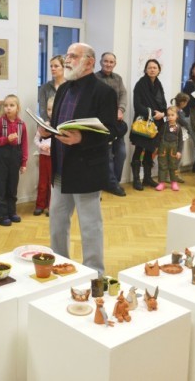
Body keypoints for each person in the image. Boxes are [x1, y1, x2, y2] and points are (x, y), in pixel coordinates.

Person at [45, 42, 117, 276]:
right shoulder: (63, 89)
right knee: (57, 223)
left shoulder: (104, 92)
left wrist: (81, 138)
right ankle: (60, 265)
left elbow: (111, 130)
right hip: (61, 168)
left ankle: (95, 273)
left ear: (89, 62)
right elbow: (59, 123)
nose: (67, 60)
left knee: (90, 226)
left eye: (73, 56)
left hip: (86, 170)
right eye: (67, 55)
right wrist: (48, 130)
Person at [0, 94, 28, 226]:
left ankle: (11, 212)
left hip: (15, 157)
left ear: (18, 108)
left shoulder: (22, 125)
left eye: (12, 105)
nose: (8, 108)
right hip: (0, 157)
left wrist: (24, 162)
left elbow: (24, 145)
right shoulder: (0, 122)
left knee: (12, 186)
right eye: (6, 105)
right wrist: (6, 139)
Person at [130, 59, 167, 190]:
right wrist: (151, 113)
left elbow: (163, 104)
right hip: (143, 123)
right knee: (139, 149)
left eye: (155, 68)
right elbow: (137, 105)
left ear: (159, 70)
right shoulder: (140, 84)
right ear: (145, 70)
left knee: (150, 150)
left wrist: (162, 114)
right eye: (150, 67)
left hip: (156, 124)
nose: (152, 70)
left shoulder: (159, 84)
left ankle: (147, 178)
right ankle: (136, 179)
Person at [96, 52, 128, 197]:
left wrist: (121, 110)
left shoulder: (118, 79)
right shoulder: (95, 78)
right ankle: (113, 185)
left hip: (117, 123)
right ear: (100, 62)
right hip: (102, 124)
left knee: (121, 153)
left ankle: (114, 182)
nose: (108, 64)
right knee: (107, 155)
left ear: (115, 64)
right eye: (106, 61)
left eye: (111, 62)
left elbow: (123, 95)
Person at [155, 105, 183, 191]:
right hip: (163, 149)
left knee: (174, 166)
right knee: (162, 165)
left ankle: (174, 182)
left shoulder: (179, 127)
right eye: (168, 115)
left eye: (172, 115)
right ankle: (161, 183)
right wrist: (157, 147)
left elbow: (180, 141)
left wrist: (179, 151)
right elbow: (159, 137)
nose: (170, 117)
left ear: (177, 116)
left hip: (174, 150)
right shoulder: (164, 126)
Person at [33, 97, 53, 216]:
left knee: (52, 183)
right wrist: (41, 146)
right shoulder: (43, 124)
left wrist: (51, 147)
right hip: (43, 157)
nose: (51, 112)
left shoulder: (60, 126)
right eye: (49, 109)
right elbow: (36, 139)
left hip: (53, 158)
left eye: (53, 109)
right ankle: (40, 205)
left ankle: (51, 206)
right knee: (42, 182)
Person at [172, 92, 192, 181]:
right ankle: (173, 176)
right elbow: (184, 122)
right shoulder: (177, 112)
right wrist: (189, 129)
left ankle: (175, 175)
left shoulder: (178, 111)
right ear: (182, 102)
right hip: (177, 135)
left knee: (177, 156)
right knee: (176, 156)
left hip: (178, 134)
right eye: (186, 102)